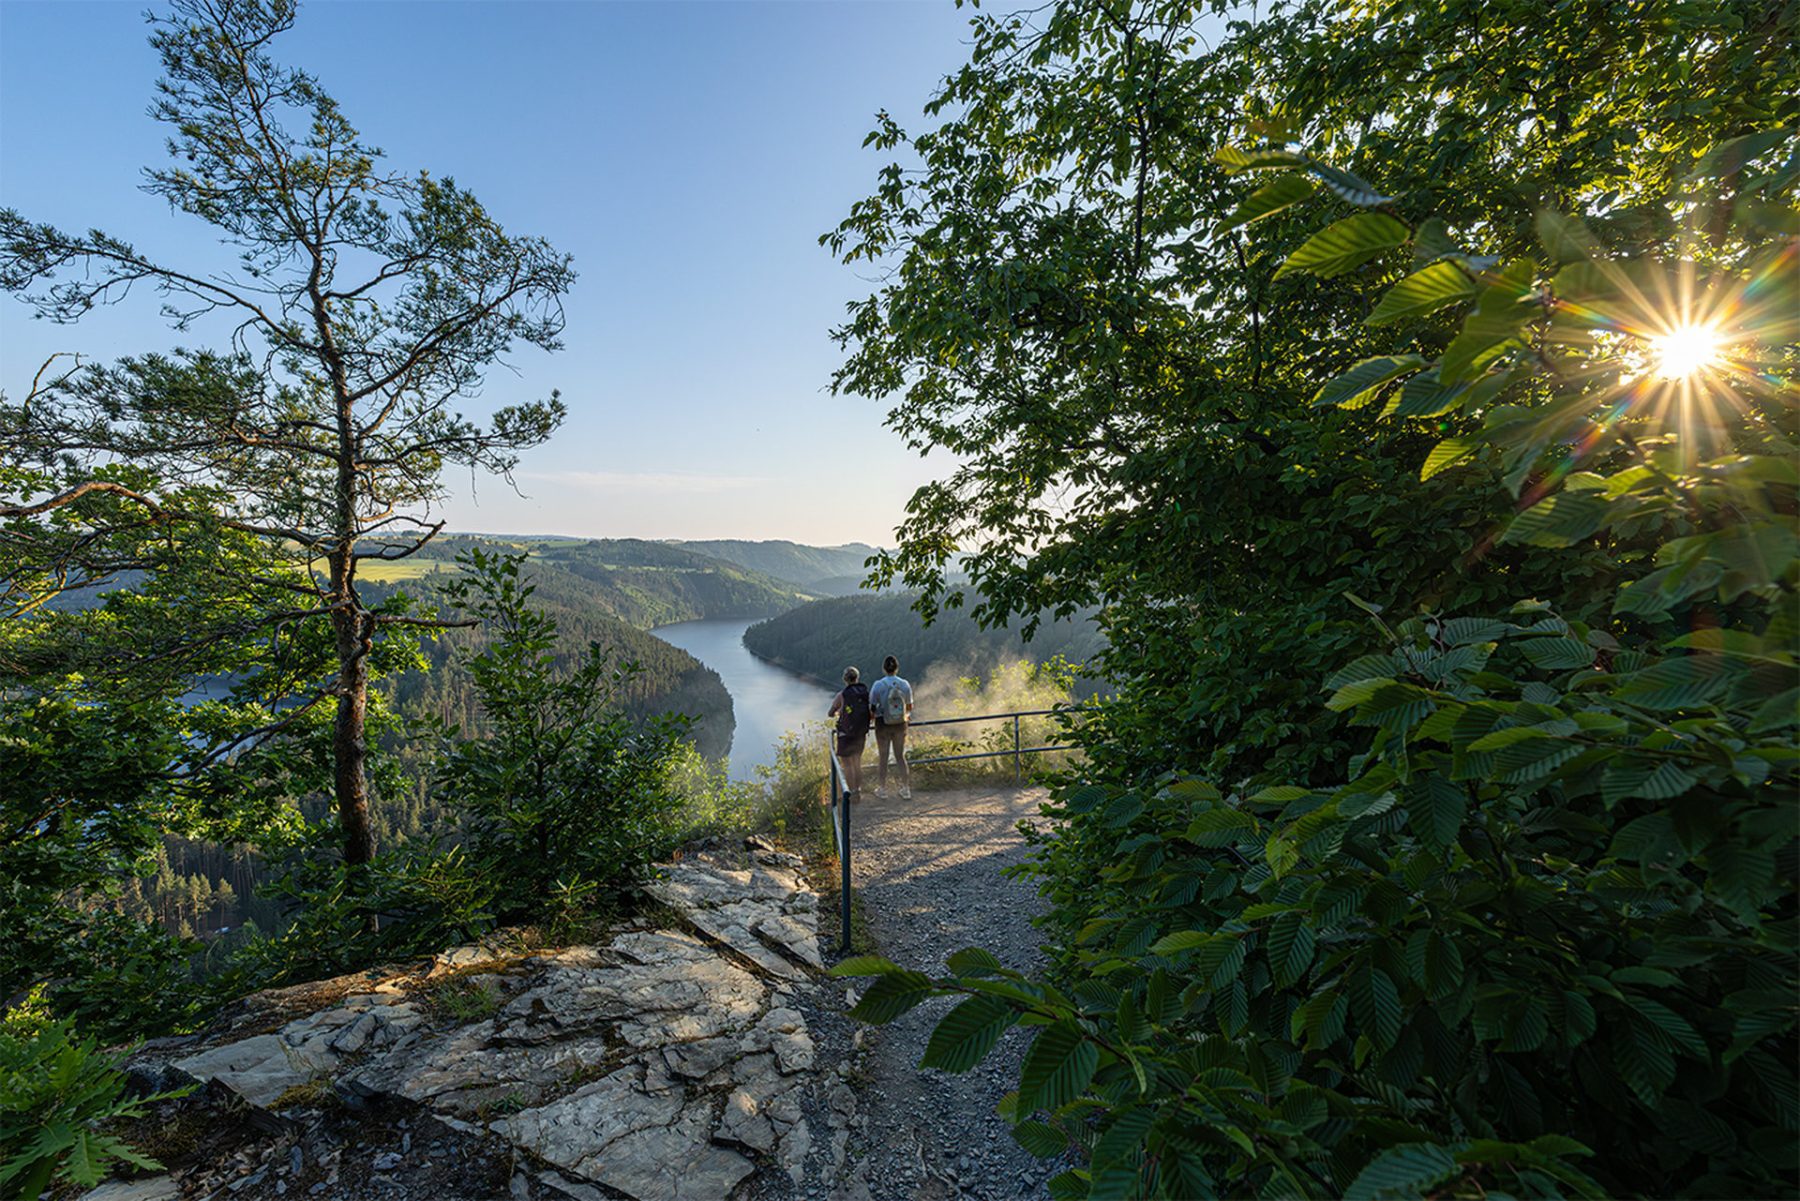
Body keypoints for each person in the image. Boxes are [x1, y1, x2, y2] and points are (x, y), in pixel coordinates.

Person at [868, 654, 914, 799]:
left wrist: (872, 719)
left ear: (884, 669)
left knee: (883, 756)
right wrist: (904, 715)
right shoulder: (905, 684)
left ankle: (882, 789)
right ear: (897, 668)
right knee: (900, 756)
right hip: (900, 724)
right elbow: (909, 706)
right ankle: (906, 789)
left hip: (883, 724)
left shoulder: (878, 685)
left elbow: (872, 707)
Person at [828, 666, 870, 797]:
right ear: (857, 678)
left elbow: (830, 713)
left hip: (845, 734)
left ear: (845, 679)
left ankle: (850, 792)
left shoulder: (842, 695)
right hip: (861, 732)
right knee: (857, 762)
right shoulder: (864, 694)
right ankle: (858, 790)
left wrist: (839, 713)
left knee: (847, 764)